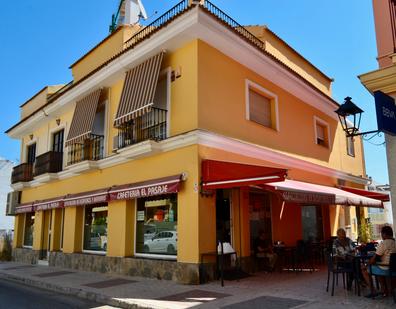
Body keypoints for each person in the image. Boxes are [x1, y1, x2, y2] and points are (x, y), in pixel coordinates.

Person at [362, 225, 396, 298]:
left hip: (386, 268)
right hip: (393, 268)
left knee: (365, 270)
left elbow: (376, 258)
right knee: (376, 266)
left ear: (384, 234)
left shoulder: (384, 243)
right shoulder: (394, 242)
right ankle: (385, 289)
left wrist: (366, 265)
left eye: (381, 234)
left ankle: (374, 291)